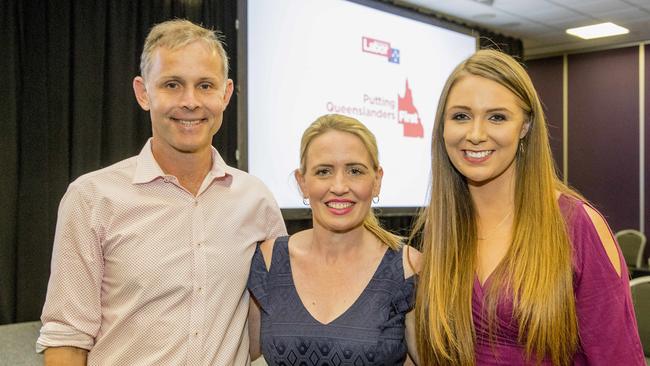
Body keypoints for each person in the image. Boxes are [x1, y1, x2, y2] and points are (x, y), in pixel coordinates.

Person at [36, 19, 286, 365]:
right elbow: (67, 338)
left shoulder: (256, 201)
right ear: (143, 92)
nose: (190, 102)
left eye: (205, 85)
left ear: (225, 95)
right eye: (172, 84)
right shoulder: (92, 198)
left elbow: (268, 325)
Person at [412, 49, 645, 365]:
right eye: (461, 116)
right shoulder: (442, 227)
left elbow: (618, 357)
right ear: (443, 126)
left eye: (497, 117)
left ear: (525, 126)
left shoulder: (578, 226)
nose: (476, 134)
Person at [247, 114, 421, 365]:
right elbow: (249, 354)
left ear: (377, 180)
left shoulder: (408, 268)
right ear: (302, 182)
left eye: (355, 171)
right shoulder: (269, 261)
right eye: (324, 171)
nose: (339, 186)